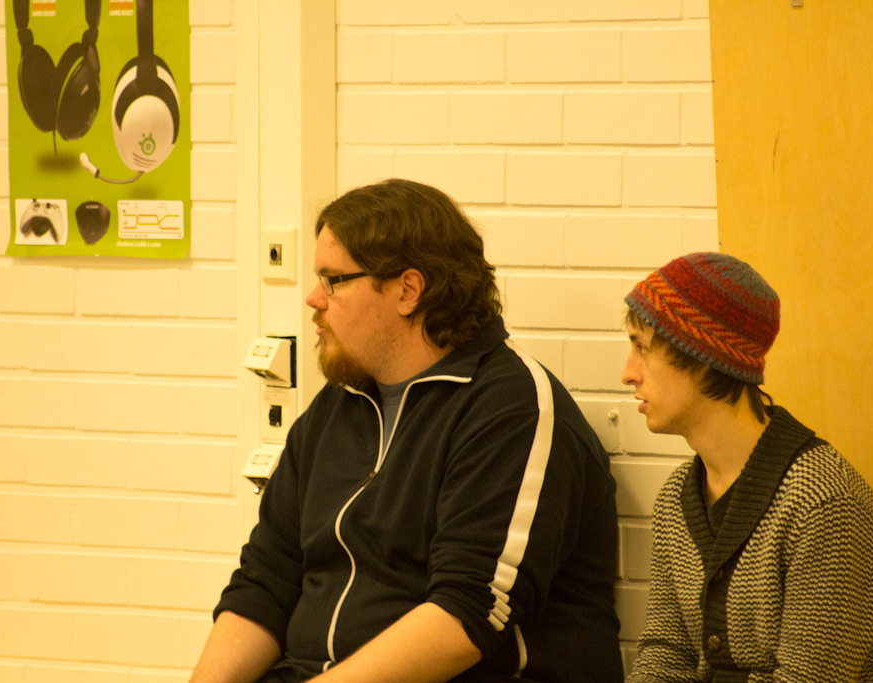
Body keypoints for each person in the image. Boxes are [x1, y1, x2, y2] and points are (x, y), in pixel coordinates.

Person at [189, 179, 623, 683]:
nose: (313, 298)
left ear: (408, 290)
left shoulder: (511, 409)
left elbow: (465, 616)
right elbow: (266, 581)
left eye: (332, 280)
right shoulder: (337, 405)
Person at [621, 252, 873, 682]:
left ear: (703, 357)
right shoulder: (677, 498)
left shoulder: (825, 505)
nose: (627, 373)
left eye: (642, 348)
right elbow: (665, 654)